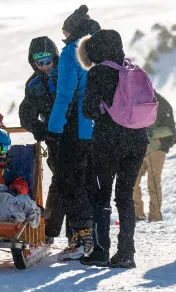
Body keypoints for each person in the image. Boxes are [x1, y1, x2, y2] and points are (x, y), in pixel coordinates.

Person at [77, 29, 149, 268]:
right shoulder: (132, 69)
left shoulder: (98, 72)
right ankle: (127, 253)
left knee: (101, 196)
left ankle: (101, 251)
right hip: (138, 140)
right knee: (125, 196)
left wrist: (101, 109)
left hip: (109, 140)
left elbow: (88, 110)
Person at [47, 4, 100, 261]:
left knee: (69, 180)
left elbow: (65, 94)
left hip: (76, 128)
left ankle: (82, 238)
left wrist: (53, 128)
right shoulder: (101, 50)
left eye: (66, 30)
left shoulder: (71, 53)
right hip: (100, 129)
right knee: (90, 183)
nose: (64, 35)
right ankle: (97, 240)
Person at [19, 36, 70, 245]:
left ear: (55, 57)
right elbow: (26, 112)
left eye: (47, 60)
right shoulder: (33, 85)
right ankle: (49, 231)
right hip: (54, 138)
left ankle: (80, 233)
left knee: (79, 184)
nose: (44, 66)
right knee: (60, 182)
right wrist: (37, 127)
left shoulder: (67, 73)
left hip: (76, 134)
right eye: (38, 62)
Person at [133, 91, 175, 222]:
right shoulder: (134, 101)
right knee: (132, 182)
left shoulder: (161, 103)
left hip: (157, 150)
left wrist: (151, 133)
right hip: (140, 150)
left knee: (153, 183)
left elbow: (171, 130)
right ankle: (138, 214)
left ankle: (155, 216)